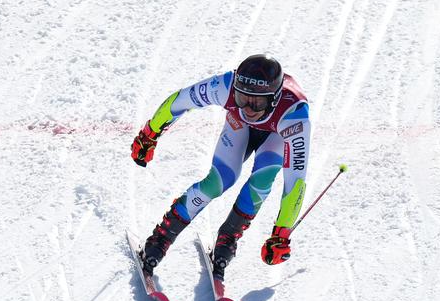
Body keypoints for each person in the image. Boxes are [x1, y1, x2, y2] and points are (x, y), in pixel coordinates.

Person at [131, 54, 310, 281]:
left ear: (273, 98)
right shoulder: (225, 86)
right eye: (242, 97)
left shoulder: (295, 115)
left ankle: (228, 237)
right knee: (218, 182)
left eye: (257, 102)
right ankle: (161, 237)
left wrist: (281, 234)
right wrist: (149, 134)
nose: (248, 107)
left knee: (261, 182)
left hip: (276, 134)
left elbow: (295, 182)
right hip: (239, 126)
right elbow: (178, 102)